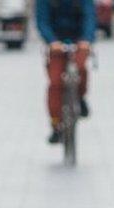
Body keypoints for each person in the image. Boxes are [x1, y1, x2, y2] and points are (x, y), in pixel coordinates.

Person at [36, 0, 96, 144]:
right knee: (55, 83)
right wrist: (51, 41)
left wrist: (86, 40)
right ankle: (56, 124)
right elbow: (42, 21)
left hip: (78, 41)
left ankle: (80, 98)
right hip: (56, 43)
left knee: (81, 69)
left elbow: (90, 18)